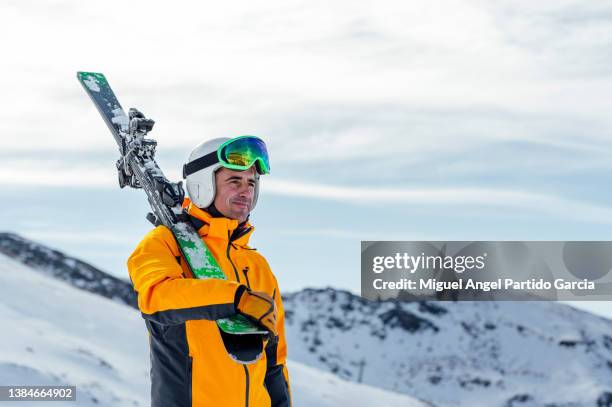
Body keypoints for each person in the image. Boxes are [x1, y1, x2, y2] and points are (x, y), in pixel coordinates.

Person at [127, 136, 291, 407]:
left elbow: (274, 364)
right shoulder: (164, 243)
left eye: (252, 183)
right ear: (203, 183)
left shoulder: (258, 266)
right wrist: (235, 299)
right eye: (234, 181)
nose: (246, 192)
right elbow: (157, 297)